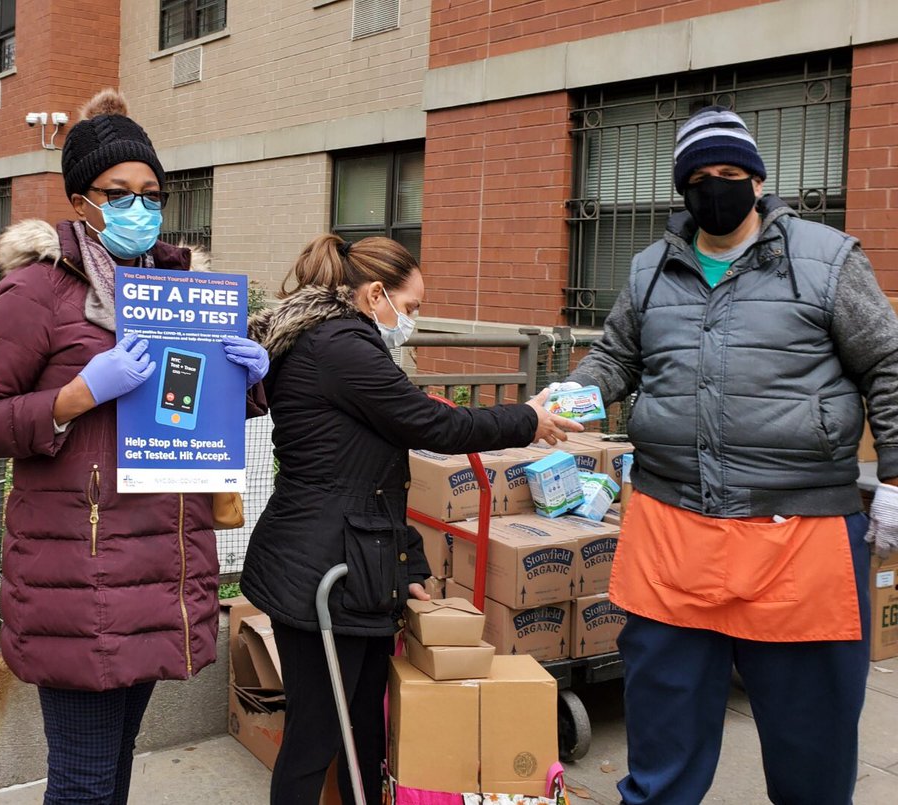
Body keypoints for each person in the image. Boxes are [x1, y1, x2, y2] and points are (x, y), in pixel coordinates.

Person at [560, 105, 898, 805]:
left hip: (798, 536)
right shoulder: (653, 269)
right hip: (672, 532)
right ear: (682, 188)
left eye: (732, 173)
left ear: (757, 178)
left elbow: (889, 363)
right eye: (702, 176)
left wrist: (897, 476)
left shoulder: (826, 259)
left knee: (813, 756)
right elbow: (615, 357)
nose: (718, 186)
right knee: (664, 752)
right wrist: (568, 396)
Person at [0, 89, 269, 805]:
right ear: (81, 199)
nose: (140, 208)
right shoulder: (36, 292)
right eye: (119, 192)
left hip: (161, 565)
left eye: (152, 193)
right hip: (79, 575)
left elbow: (186, 415)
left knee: (115, 768)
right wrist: (73, 397)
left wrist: (246, 383)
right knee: (86, 784)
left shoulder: (178, 286)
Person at [240, 234, 584, 804]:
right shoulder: (341, 347)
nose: (413, 319)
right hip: (322, 573)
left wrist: (408, 564)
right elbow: (433, 426)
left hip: (352, 565)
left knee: (365, 728)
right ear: (376, 293)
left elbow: (376, 475)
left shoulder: (332, 341)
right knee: (317, 736)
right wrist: (525, 418)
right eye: (414, 306)